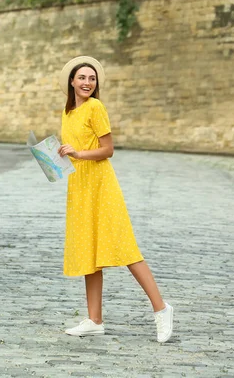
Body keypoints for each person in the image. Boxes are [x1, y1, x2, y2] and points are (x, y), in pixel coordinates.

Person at [57, 56, 173, 343]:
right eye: (82, 77)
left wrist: (79, 154)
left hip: (101, 185)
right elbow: (74, 148)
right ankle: (94, 319)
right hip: (79, 186)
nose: (87, 82)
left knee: (125, 248)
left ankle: (162, 308)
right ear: (71, 81)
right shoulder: (68, 112)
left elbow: (108, 149)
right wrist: (59, 154)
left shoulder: (96, 107)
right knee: (88, 251)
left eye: (92, 78)